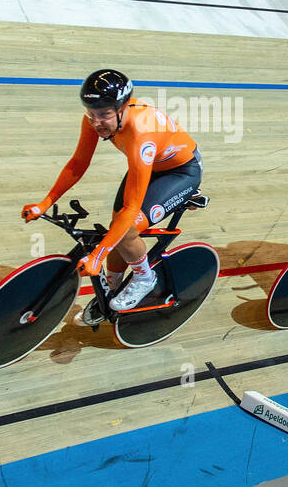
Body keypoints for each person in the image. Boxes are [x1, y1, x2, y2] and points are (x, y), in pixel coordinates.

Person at [22, 70, 202, 322]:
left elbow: (131, 210)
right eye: (91, 113)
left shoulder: (141, 132)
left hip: (180, 173)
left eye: (104, 114)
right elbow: (77, 163)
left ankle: (144, 278)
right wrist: (45, 203)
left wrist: (97, 256)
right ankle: (110, 291)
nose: (96, 122)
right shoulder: (94, 119)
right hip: (147, 168)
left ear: (123, 107)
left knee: (126, 229)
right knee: (116, 231)